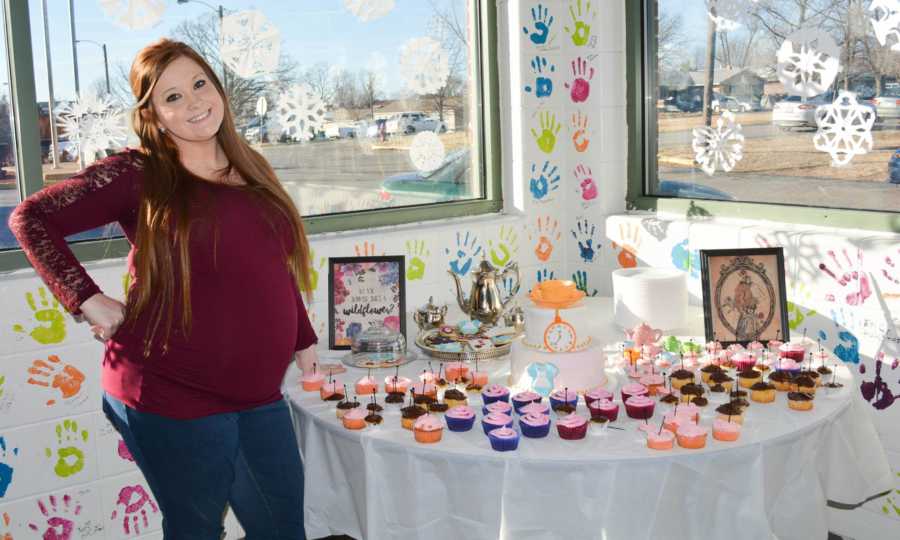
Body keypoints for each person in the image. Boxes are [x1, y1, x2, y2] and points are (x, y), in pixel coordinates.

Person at [8, 39, 318, 539]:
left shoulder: (253, 166)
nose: (194, 102)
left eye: (199, 84)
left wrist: (301, 338)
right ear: (152, 114)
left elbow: (273, 263)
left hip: (258, 393)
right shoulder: (140, 173)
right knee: (197, 531)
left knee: (283, 527)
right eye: (171, 97)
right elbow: (30, 217)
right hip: (171, 392)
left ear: (218, 87)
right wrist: (88, 300)